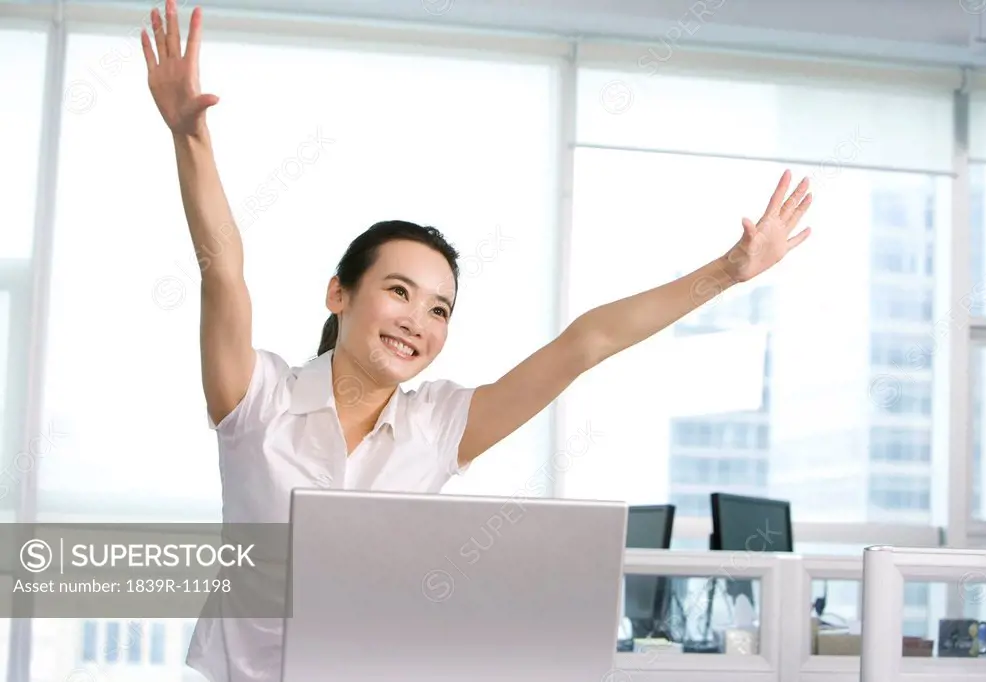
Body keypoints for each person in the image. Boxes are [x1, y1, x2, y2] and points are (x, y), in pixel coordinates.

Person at [141, 1, 812, 680]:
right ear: (338, 293)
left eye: (439, 310)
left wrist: (728, 272)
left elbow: (587, 343)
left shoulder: (439, 425)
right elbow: (223, 269)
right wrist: (187, 137)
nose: (417, 322)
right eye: (398, 292)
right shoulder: (255, 401)